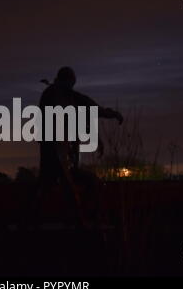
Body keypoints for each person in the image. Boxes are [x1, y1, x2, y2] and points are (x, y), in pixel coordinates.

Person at [36, 66, 123, 226]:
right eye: (71, 82)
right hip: (59, 158)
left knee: (52, 189)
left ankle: (78, 220)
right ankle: (80, 222)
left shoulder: (57, 95)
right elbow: (87, 109)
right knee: (72, 190)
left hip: (58, 158)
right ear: (67, 81)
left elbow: (85, 110)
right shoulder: (59, 95)